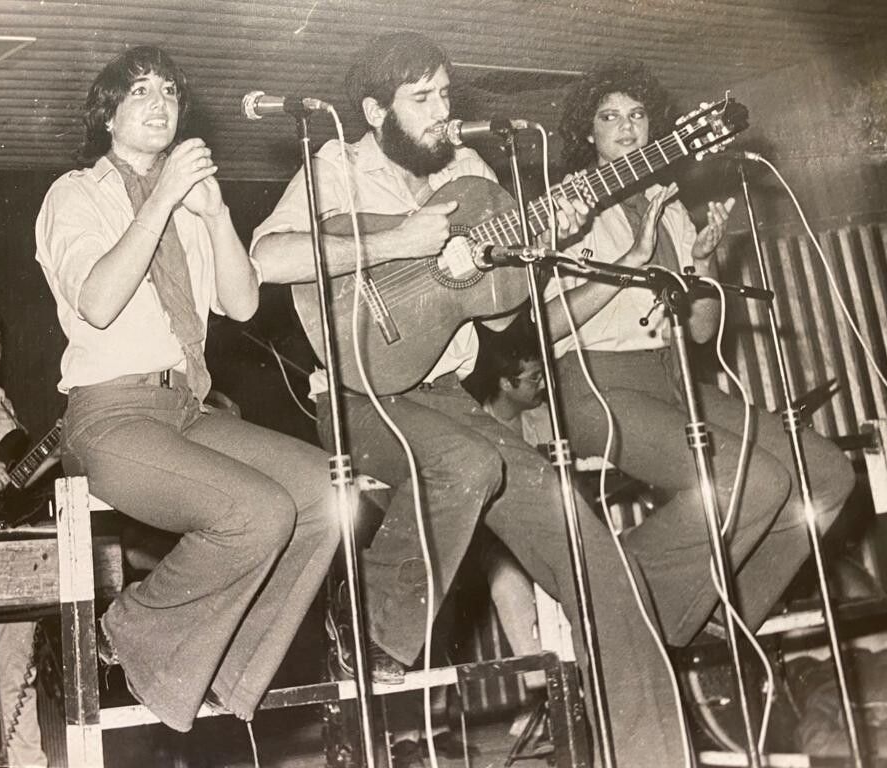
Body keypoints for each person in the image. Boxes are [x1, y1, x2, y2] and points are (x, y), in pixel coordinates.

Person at [253, 31, 694, 767]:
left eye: (446, 95)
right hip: (359, 392)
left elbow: (502, 306)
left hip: (449, 394)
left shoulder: (468, 168)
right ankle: (369, 626)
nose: (441, 112)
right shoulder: (336, 165)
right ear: (376, 111)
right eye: (421, 98)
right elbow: (267, 259)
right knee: (466, 463)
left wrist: (547, 243)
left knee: (593, 556)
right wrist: (397, 241)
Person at [34, 46, 339, 733]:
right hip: (110, 414)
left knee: (324, 492)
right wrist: (163, 196)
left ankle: (227, 676)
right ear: (107, 115)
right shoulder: (76, 194)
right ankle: (126, 628)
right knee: (258, 513)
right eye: (140, 91)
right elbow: (99, 301)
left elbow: (243, 303)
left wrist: (215, 210)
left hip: (186, 407)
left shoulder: (189, 202)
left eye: (170, 92)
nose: (159, 103)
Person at [546, 59, 856, 648]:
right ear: (587, 131)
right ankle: (612, 592)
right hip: (598, 386)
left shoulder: (668, 206)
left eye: (637, 115)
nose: (627, 127)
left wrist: (705, 262)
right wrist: (629, 266)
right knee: (754, 481)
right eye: (610, 117)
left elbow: (701, 332)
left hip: (676, 379)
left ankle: (723, 617)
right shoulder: (566, 209)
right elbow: (543, 325)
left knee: (827, 474)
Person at [0, 302, 50, 767]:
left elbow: (13, 478)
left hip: (7, 547)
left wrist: (49, 458)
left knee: (19, 671)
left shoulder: (3, 400)